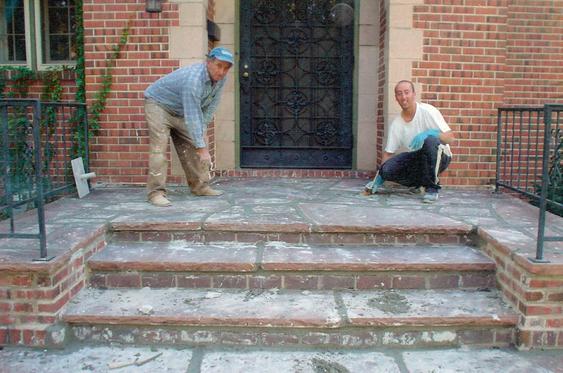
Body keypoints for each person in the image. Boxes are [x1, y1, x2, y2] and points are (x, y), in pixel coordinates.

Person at [144, 47, 234, 207]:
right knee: (159, 149)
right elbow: (193, 115)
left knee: (194, 143)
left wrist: (202, 132)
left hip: (181, 110)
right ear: (208, 62)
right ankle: (155, 193)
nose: (222, 71)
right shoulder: (193, 80)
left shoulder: (220, 80)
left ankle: (199, 187)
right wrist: (202, 146)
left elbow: (211, 106)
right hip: (158, 105)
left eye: (226, 68)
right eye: (219, 65)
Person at [365, 80, 455, 203]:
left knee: (430, 141)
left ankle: (431, 188)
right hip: (419, 161)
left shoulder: (428, 111)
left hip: (441, 156)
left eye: (407, 92)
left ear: (414, 94)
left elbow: (450, 137)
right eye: (399, 94)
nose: (403, 97)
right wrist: (379, 177)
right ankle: (419, 183)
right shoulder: (397, 124)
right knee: (387, 169)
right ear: (396, 98)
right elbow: (388, 153)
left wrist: (429, 133)